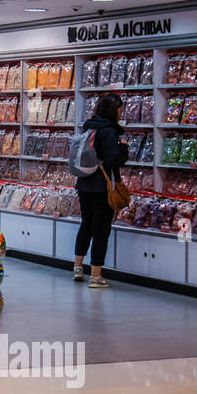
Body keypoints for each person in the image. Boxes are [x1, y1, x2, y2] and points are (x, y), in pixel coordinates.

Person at [73, 93, 128, 290]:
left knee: (86, 225)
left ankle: (78, 267)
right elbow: (113, 160)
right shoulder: (110, 132)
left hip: (84, 184)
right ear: (114, 110)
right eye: (120, 109)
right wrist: (124, 150)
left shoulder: (89, 126)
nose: (121, 113)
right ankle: (96, 276)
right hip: (102, 187)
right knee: (101, 231)